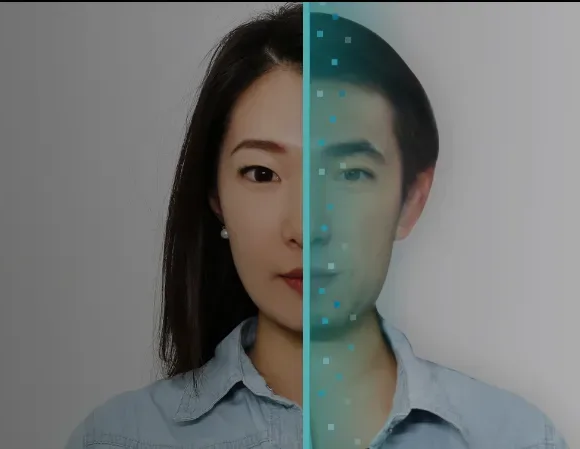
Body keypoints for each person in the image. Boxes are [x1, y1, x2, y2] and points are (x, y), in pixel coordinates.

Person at [66, 3, 566, 449]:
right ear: (216, 198)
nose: (305, 229)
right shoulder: (119, 439)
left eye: (350, 174)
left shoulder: (516, 439)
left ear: (411, 199)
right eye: (262, 173)